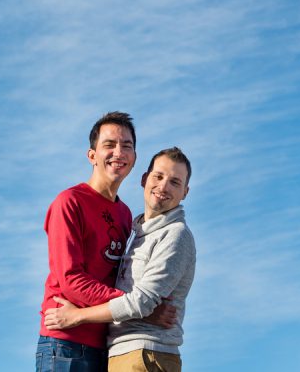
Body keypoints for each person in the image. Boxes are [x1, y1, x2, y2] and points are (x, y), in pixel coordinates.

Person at [44, 147, 196, 372]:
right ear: (145, 179)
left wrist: (77, 316)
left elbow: (142, 302)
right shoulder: (139, 232)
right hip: (124, 354)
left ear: (185, 192)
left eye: (175, 182)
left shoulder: (175, 234)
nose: (163, 186)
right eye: (159, 176)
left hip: (145, 353)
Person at [35, 111, 138, 372]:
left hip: (108, 344)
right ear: (92, 156)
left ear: (134, 158)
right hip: (66, 344)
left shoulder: (125, 214)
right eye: (109, 145)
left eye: (127, 146)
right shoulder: (69, 202)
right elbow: (71, 280)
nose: (119, 152)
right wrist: (133, 304)